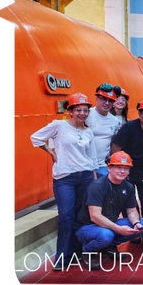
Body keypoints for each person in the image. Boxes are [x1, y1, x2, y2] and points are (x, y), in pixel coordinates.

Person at [31, 92, 97, 270]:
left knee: (81, 216)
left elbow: (92, 159)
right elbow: (35, 137)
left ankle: (78, 252)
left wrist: (95, 182)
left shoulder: (88, 131)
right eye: (78, 110)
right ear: (70, 111)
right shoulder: (59, 126)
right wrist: (51, 152)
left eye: (85, 110)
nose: (82, 113)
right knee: (66, 217)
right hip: (64, 178)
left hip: (85, 177)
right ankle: (63, 257)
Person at [74, 151, 143, 271]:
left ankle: (109, 246)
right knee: (106, 235)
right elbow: (95, 217)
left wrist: (136, 223)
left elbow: (131, 211)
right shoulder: (97, 186)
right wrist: (118, 229)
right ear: (109, 168)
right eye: (119, 167)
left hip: (108, 224)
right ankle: (88, 251)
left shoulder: (128, 186)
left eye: (126, 168)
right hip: (88, 226)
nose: (122, 171)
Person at [87, 83, 121, 178]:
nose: (107, 103)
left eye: (110, 100)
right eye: (103, 99)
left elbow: (113, 143)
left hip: (102, 166)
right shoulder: (87, 114)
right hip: (85, 164)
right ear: (97, 99)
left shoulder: (114, 121)